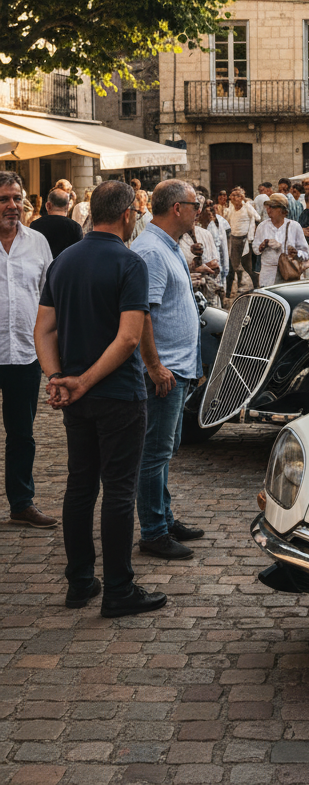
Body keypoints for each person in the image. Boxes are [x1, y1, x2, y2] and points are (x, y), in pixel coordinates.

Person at [35, 180, 167, 617]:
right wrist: (83, 381)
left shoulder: (64, 261)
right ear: (128, 214)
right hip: (117, 394)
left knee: (79, 486)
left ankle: (79, 582)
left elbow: (43, 330)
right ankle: (118, 589)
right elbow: (129, 339)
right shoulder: (129, 264)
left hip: (76, 394)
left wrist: (58, 377)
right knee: (118, 490)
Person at [131, 180, 205, 560]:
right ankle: (154, 531)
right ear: (177, 208)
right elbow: (141, 314)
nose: (200, 211)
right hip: (164, 371)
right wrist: (154, 366)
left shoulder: (167, 245)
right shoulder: (151, 251)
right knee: (154, 452)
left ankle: (164, 516)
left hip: (178, 367)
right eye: (196, 204)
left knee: (166, 447)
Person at [0, 173, 57, 527]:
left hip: (23, 353)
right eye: (5, 198)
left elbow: (49, 299)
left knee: (22, 433)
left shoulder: (37, 243)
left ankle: (21, 503)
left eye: (17, 198)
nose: (12, 206)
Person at [254, 193, 308, 287]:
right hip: (268, 275)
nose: (269, 210)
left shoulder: (294, 226)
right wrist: (262, 246)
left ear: (283, 210)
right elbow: (255, 249)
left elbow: (305, 253)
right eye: (268, 206)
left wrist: (296, 253)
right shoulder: (262, 226)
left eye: (273, 207)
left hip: (289, 273)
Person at [225, 187, 260, 296]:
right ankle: (235, 287)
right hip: (234, 239)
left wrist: (246, 203)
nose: (235, 198)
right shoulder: (230, 209)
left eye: (238, 195)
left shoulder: (247, 207)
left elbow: (257, 217)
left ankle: (257, 287)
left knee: (248, 266)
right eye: (233, 195)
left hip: (245, 240)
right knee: (234, 265)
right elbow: (227, 221)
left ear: (242, 197)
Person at [30, 187, 83, 258]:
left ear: (48, 205)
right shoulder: (75, 227)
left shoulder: (35, 225)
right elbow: (78, 255)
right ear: (67, 206)